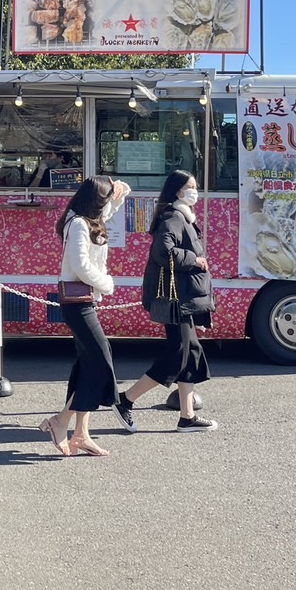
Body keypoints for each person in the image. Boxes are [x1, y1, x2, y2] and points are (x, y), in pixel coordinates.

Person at [117, 170, 218, 431]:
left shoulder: (183, 216)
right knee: (178, 354)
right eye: (191, 187)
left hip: (182, 298)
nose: (195, 191)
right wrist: (194, 259)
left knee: (189, 352)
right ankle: (125, 400)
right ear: (177, 191)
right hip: (176, 299)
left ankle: (187, 417)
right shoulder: (174, 216)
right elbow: (163, 252)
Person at [37, 175, 130, 457]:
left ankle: (81, 434)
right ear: (95, 201)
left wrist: (117, 199)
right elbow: (80, 265)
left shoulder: (84, 220)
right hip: (78, 303)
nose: (107, 206)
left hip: (86, 300)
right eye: (105, 199)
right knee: (100, 359)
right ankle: (61, 421)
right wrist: (108, 283)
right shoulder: (77, 224)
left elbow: (101, 222)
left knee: (87, 364)